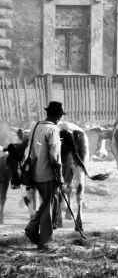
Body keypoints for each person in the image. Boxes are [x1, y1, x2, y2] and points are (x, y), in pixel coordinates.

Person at [24, 101, 65, 251]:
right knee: (49, 207)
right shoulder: (53, 129)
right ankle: (45, 243)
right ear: (57, 116)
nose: (60, 119)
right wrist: (60, 175)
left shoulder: (37, 127)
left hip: (36, 173)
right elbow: (55, 155)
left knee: (45, 204)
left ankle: (33, 227)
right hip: (49, 175)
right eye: (60, 116)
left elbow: (32, 152)